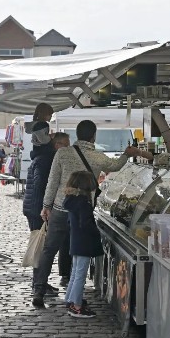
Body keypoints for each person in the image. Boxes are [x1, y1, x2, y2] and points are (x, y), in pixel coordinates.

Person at [32, 120, 140, 308]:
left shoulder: (62, 153)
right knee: (77, 250)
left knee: (49, 249)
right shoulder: (97, 157)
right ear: (94, 136)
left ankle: (39, 289)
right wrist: (126, 154)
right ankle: (73, 291)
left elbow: (52, 181)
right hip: (81, 210)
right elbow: (115, 166)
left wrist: (46, 205)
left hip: (60, 207)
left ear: (77, 134)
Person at [23, 131, 70, 295]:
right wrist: (46, 206)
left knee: (43, 246)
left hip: (35, 207)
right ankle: (38, 284)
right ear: (57, 145)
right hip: (37, 209)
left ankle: (40, 283)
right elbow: (41, 184)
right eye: (65, 145)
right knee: (41, 246)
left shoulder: (43, 157)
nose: (68, 148)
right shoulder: (46, 160)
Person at [62, 171, 103, 318]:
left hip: (76, 240)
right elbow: (86, 224)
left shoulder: (71, 199)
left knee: (75, 273)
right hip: (84, 242)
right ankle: (77, 306)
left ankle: (70, 299)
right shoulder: (83, 202)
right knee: (80, 275)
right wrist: (97, 233)